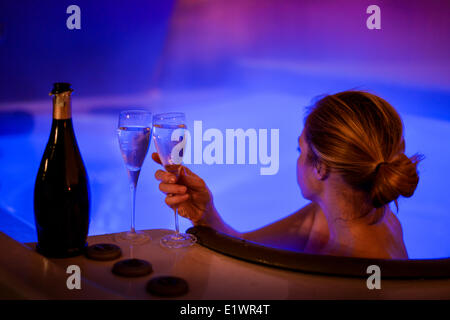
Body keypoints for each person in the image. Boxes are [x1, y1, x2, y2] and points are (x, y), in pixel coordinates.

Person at [152, 90, 423, 259]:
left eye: (300, 148)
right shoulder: (332, 215)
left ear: (320, 168)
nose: (296, 159)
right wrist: (206, 214)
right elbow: (246, 248)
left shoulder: (352, 269)